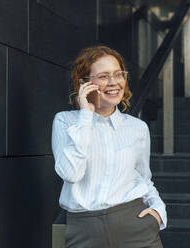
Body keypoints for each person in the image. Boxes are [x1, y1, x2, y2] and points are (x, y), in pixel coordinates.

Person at [51, 45, 167, 248]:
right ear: (85, 83)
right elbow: (71, 174)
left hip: (136, 226)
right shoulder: (66, 122)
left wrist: (158, 210)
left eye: (118, 74)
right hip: (85, 231)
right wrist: (86, 116)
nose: (114, 83)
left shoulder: (137, 128)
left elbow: (143, 178)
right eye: (103, 76)